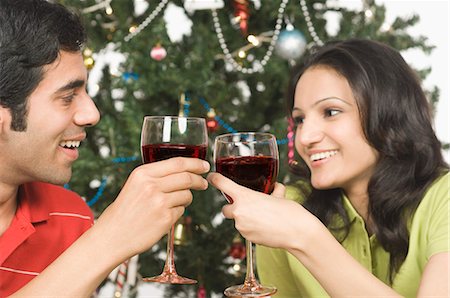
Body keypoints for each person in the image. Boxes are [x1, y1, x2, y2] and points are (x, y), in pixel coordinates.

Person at [208, 39, 449, 297]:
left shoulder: (443, 199)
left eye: (331, 112)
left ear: (390, 114)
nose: (305, 137)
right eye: (300, 119)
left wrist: (306, 238)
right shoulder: (288, 206)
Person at [0, 0, 209, 296]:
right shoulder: (94, 240)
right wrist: (110, 237)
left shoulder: (70, 217)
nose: (92, 114)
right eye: (67, 96)